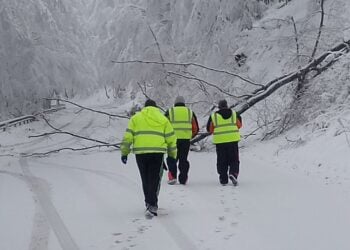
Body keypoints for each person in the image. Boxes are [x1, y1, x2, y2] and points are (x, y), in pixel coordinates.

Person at [120, 99, 177, 218]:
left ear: (145, 107)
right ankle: (152, 204)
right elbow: (171, 139)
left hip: (140, 153)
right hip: (157, 153)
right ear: (155, 107)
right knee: (154, 178)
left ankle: (148, 202)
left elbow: (128, 136)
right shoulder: (163, 119)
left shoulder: (136, 118)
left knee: (145, 178)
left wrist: (124, 152)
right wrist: (172, 156)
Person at [206, 99, 242, 186]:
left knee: (222, 160)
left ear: (219, 107)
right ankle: (233, 173)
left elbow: (209, 129)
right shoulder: (234, 114)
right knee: (234, 159)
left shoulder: (214, 116)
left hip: (220, 142)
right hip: (233, 141)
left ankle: (223, 179)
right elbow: (239, 125)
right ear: (227, 105)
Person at [164, 96, 199, 185]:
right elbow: (195, 128)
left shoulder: (170, 112)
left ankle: (172, 177)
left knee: (172, 159)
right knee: (183, 159)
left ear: (175, 103)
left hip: (172, 140)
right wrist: (190, 136)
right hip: (185, 140)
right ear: (184, 103)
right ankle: (183, 178)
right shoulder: (189, 112)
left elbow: (163, 125)